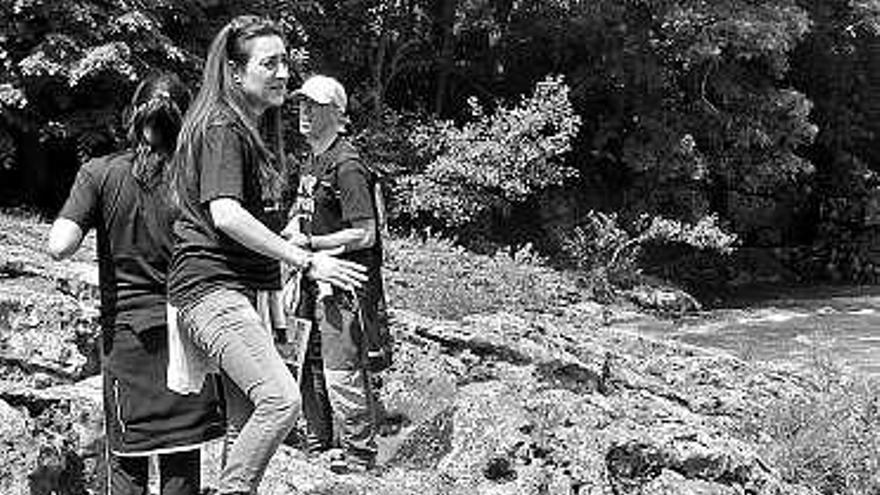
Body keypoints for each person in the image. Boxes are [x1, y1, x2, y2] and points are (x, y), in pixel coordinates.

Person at [167, 16, 367, 495]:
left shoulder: (245, 130)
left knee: (245, 423)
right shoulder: (223, 125)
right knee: (280, 402)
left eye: (285, 62)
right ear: (235, 72)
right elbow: (226, 216)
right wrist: (307, 260)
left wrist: (290, 239)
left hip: (234, 290)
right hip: (213, 291)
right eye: (269, 63)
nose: (282, 73)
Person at [47, 72, 225, 495]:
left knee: (127, 458)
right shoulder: (201, 177)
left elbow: (59, 246)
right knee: (183, 453)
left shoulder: (100, 173)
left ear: (132, 116)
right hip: (189, 330)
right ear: (187, 120)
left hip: (129, 339)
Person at [286, 74, 389, 473]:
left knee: (340, 369)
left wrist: (310, 244)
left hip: (343, 283)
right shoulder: (312, 159)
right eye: (301, 105)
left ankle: (360, 459)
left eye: (314, 106)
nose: (305, 112)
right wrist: (293, 229)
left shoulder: (348, 165)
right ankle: (317, 449)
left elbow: (365, 232)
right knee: (308, 361)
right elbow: (308, 210)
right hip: (312, 279)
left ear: (337, 113)